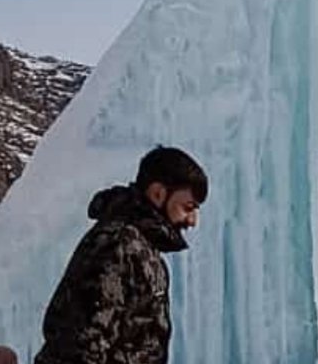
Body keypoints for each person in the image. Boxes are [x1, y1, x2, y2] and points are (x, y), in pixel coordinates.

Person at [34, 146, 207, 364]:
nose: (192, 220)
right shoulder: (118, 244)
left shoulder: (141, 248)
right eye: (188, 207)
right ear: (158, 194)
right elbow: (83, 344)